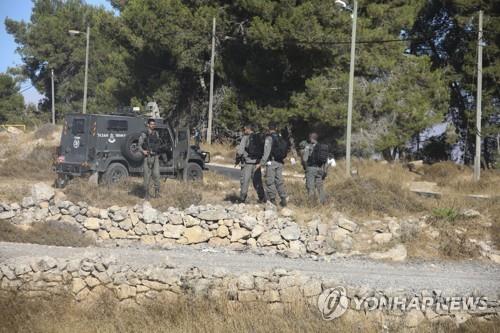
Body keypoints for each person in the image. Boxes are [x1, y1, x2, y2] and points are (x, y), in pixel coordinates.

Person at [236, 124, 266, 203]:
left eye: (245, 129)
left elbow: (240, 152)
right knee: (257, 182)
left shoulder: (245, 138)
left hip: (247, 163)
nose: (244, 130)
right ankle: (262, 198)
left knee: (245, 181)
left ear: (248, 129)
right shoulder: (258, 138)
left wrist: (238, 156)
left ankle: (242, 198)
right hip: (257, 163)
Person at [260, 122, 288, 207]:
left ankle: (272, 200)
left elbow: (267, 151)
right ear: (276, 128)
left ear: (268, 128)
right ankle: (283, 198)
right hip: (279, 162)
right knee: (279, 181)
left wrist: (262, 163)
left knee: (270, 181)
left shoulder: (269, 138)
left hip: (271, 162)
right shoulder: (280, 137)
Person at [138, 119, 161, 199]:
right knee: (146, 176)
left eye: (154, 124)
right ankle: (146, 194)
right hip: (147, 157)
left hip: (155, 156)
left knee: (156, 175)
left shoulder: (156, 134)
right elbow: (139, 145)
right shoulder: (144, 134)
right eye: (151, 124)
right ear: (148, 125)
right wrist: (143, 151)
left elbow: (158, 143)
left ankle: (157, 193)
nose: (153, 125)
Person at [303, 132, 327, 204]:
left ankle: (311, 203)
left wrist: (306, 168)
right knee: (320, 187)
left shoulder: (308, 146)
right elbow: (325, 160)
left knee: (310, 187)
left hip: (311, 168)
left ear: (311, 138)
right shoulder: (322, 147)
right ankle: (323, 202)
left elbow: (305, 159)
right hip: (320, 169)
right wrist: (324, 171)